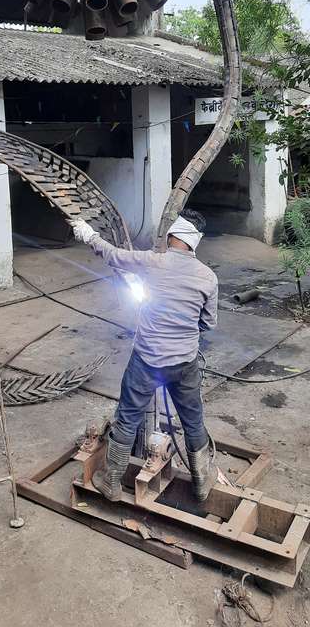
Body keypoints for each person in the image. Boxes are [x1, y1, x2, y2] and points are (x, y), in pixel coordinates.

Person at [71, 209, 218, 504]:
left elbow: (113, 255)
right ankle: (201, 483)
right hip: (185, 363)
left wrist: (88, 235)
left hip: (147, 360)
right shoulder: (208, 277)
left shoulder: (152, 262)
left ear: (171, 236)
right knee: (192, 420)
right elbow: (208, 323)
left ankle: (111, 482)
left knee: (127, 418)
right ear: (194, 242)